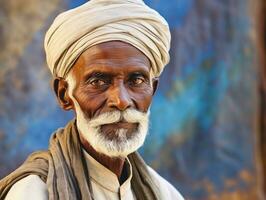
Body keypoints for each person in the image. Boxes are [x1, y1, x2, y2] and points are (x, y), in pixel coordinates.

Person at [0, 0, 184, 199]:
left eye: (136, 80)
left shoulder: (164, 193)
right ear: (64, 94)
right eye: (98, 82)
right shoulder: (33, 193)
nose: (121, 101)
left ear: (153, 90)